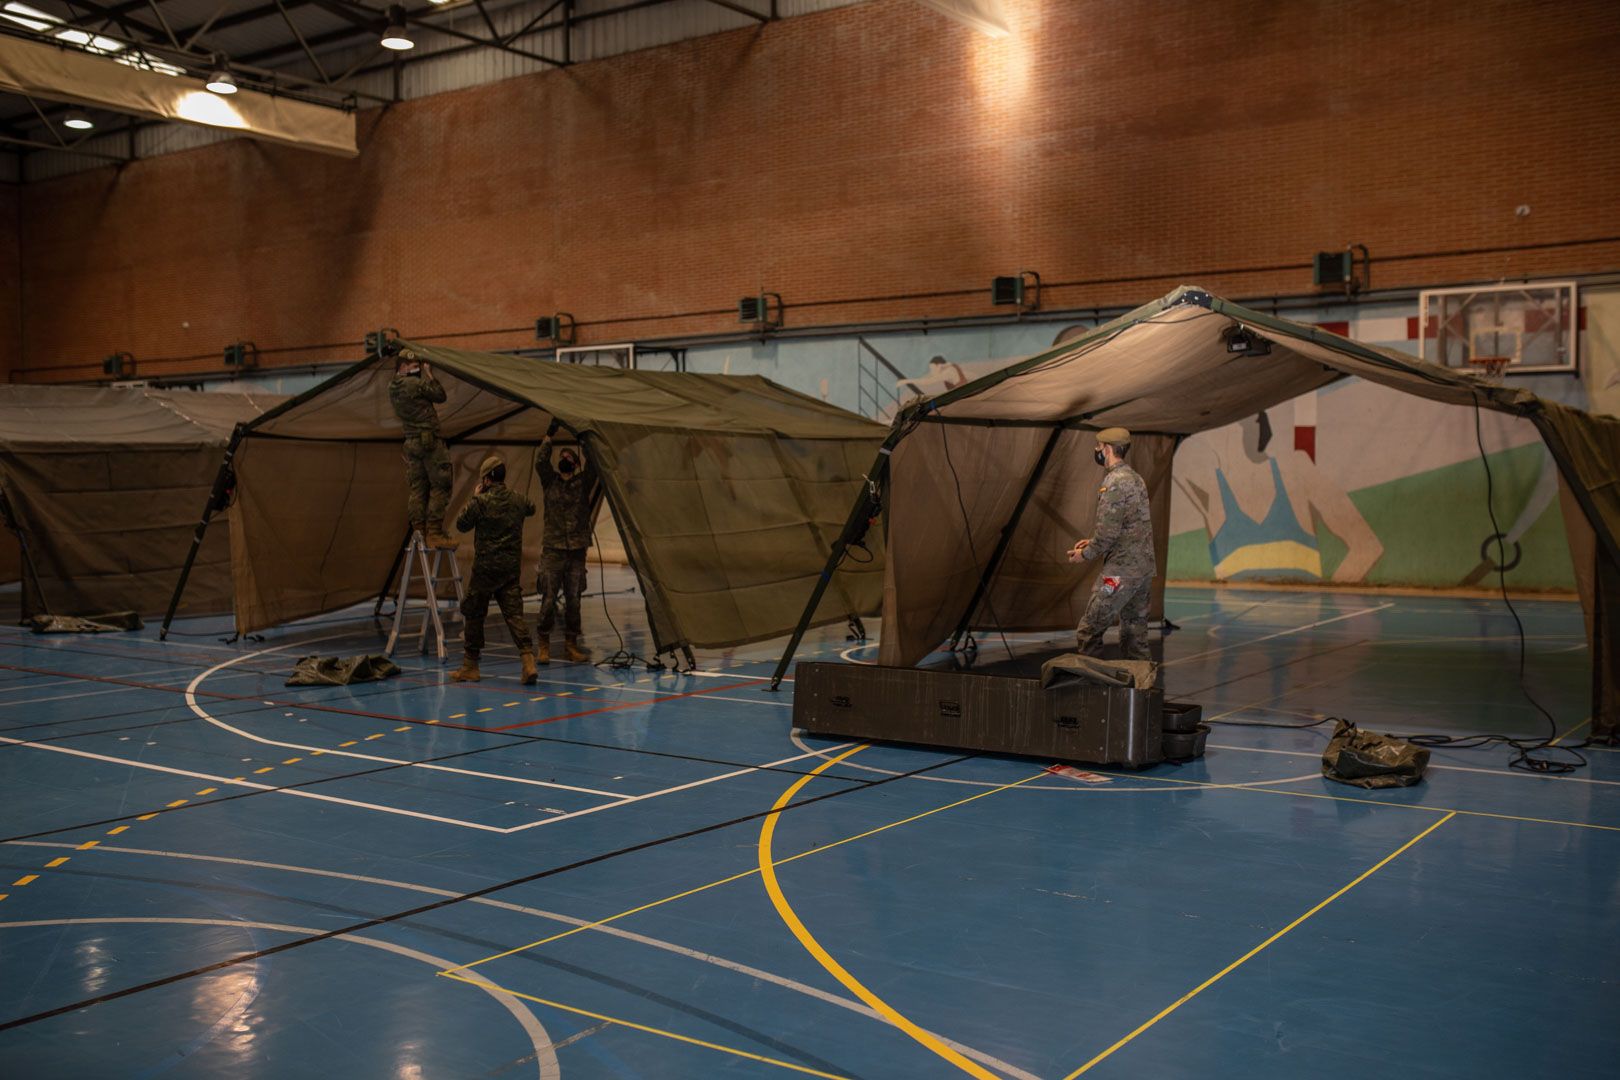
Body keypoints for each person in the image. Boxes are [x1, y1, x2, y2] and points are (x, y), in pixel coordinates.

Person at [1068, 427, 1155, 660]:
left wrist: (1084, 554)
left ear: (1106, 449)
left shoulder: (1114, 482)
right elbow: (1130, 526)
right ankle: (1139, 691)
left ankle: (1091, 690)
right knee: (1135, 634)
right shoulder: (1136, 479)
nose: (1097, 450)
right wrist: (1093, 541)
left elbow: (1107, 534)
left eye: (1098, 446)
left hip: (1119, 575)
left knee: (1090, 628)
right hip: (1143, 571)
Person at [451, 454, 537, 684]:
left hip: (485, 570)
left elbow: (462, 523)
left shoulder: (481, 502)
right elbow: (532, 508)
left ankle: (470, 666)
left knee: (474, 614)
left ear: (487, 479)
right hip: (509, 569)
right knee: (514, 615)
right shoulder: (518, 500)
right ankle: (528, 661)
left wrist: (476, 497)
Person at [535, 432, 599, 664]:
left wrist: (584, 441)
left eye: (568, 457)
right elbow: (540, 462)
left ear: (575, 463)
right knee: (548, 599)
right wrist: (548, 438)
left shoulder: (583, 483)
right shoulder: (549, 481)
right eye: (561, 456)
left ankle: (570, 645)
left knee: (574, 600)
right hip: (553, 549)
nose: (564, 459)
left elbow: (594, 463)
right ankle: (543, 645)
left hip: (577, 550)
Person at [387, 346, 457, 550]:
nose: (417, 369)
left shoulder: (392, 387)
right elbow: (440, 395)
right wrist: (429, 374)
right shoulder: (416, 384)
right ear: (404, 367)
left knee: (417, 488)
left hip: (411, 443)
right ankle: (434, 533)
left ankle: (418, 532)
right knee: (440, 484)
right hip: (429, 442)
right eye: (414, 366)